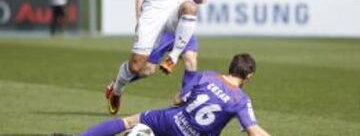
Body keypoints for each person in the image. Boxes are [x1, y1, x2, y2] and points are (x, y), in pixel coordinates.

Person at [106, 0, 213, 115]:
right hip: (153, 11)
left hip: (174, 8)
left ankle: (172, 58)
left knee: (190, 8)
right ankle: (116, 90)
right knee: (136, 66)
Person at [53, 53, 271, 136]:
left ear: (230, 66)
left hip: (172, 120)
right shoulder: (241, 100)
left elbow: (177, 99)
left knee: (129, 121)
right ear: (249, 76)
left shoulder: (208, 76)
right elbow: (254, 132)